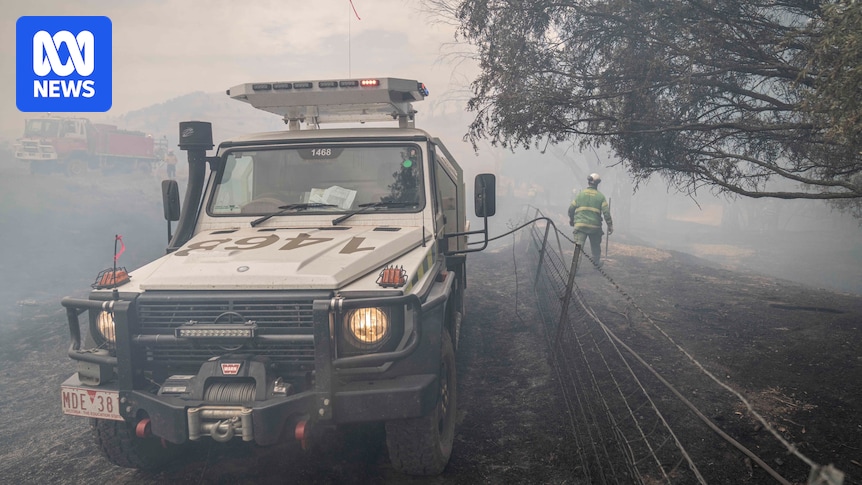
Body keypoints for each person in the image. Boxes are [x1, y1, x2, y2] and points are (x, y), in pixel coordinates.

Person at [569, 173, 613, 267]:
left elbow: (571, 209)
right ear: (598, 183)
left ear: (588, 181)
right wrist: (610, 225)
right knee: (596, 247)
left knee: (578, 248)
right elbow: (606, 213)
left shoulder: (580, 194)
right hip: (595, 227)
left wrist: (572, 220)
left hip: (580, 226)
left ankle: (574, 270)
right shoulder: (600, 197)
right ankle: (596, 264)